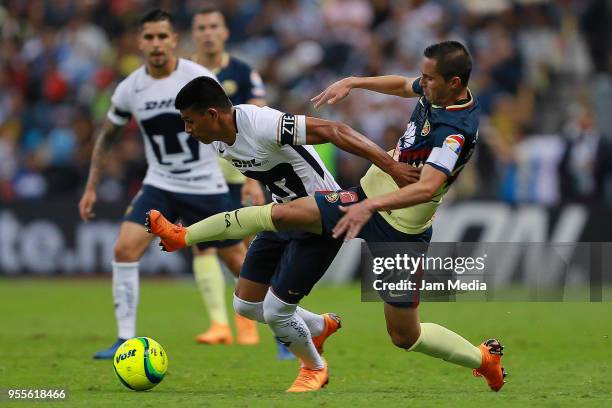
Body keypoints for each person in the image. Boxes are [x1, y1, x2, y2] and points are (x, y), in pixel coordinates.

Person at [147, 41, 507, 392]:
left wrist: (370, 205)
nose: (421, 83)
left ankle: (483, 360)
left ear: (454, 83)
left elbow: (427, 188)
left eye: (428, 79)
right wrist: (354, 81)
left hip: (402, 227)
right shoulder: (435, 90)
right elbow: (401, 85)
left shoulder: (455, 133)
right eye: (422, 76)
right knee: (284, 216)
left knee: (404, 335)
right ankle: (184, 237)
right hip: (364, 196)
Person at [148, 75, 420, 391]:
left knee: (277, 311)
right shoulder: (220, 143)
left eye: (190, 121)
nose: (188, 130)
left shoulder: (264, 123)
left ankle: (314, 369)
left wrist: (391, 166)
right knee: (246, 306)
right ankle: (318, 326)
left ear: (212, 114)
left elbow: (336, 131)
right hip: (283, 215)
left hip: (321, 217)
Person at [78, 9, 250, 359]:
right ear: (139, 42)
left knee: (239, 261)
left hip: (205, 184)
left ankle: (285, 327)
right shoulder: (130, 88)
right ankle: (125, 339)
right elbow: (107, 135)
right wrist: (92, 186)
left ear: (174, 40)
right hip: (161, 184)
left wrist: (250, 174)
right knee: (124, 249)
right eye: (149, 37)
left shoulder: (198, 78)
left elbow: (231, 125)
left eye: (162, 36)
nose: (156, 44)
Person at [189, 6, 271, 350]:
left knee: (248, 249)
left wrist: (253, 178)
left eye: (214, 26)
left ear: (224, 32)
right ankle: (220, 324)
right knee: (203, 246)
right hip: (198, 175)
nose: (208, 32)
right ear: (194, 34)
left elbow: (259, 120)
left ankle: (254, 322)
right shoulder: (185, 75)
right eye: (202, 27)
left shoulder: (243, 72)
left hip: (239, 173)